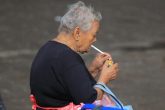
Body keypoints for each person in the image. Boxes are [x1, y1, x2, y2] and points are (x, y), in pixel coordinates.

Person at [30, 1, 119, 109]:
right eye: (93, 35)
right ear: (77, 32)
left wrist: (92, 71)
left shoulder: (47, 49)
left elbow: (69, 86)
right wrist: (104, 79)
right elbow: (90, 101)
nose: (94, 40)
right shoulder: (68, 59)